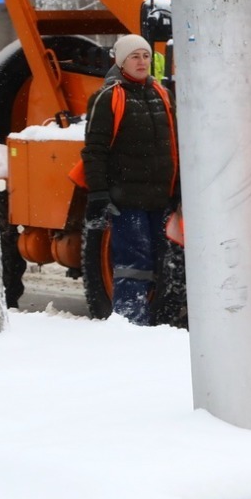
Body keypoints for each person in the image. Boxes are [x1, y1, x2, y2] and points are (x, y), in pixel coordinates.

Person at [80, 34, 181, 326]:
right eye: (135, 56)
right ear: (121, 61)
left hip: (160, 199)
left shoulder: (162, 95)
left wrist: (178, 190)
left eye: (146, 56)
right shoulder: (108, 97)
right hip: (126, 201)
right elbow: (95, 150)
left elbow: (174, 145)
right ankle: (129, 324)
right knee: (133, 265)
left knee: (162, 263)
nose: (142, 62)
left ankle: (153, 324)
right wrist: (98, 193)